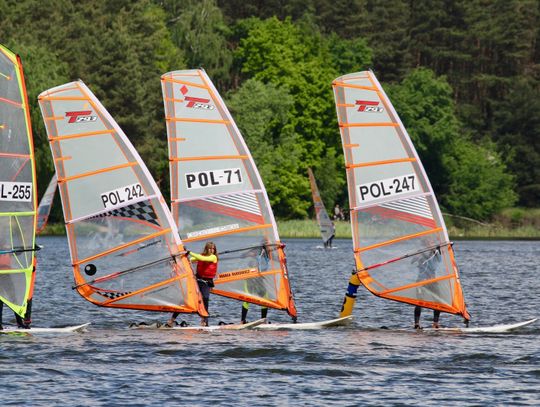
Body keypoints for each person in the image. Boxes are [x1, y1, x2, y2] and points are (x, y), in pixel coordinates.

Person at [167, 242, 218, 327]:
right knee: (185, 299)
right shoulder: (202, 256)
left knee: (205, 298)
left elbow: (201, 258)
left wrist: (189, 252)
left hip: (206, 282)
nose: (211, 250)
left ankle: (205, 321)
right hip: (197, 280)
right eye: (210, 248)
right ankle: (171, 320)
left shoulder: (213, 257)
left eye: (213, 249)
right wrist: (180, 259)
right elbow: (191, 259)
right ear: (206, 249)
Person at [413, 247, 442, 329]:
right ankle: (416, 324)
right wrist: (418, 256)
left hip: (432, 281)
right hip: (421, 281)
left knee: (438, 302)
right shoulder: (421, 252)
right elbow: (412, 261)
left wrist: (435, 251)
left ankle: (435, 323)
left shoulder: (435, 254)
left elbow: (440, 260)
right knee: (419, 302)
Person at [241, 243, 270, 324]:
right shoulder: (257, 249)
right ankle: (242, 321)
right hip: (250, 278)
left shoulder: (269, 253)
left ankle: (263, 320)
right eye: (267, 245)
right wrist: (248, 254)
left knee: (265, 299)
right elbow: (243, 255)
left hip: (260, 279)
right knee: (247, 299)